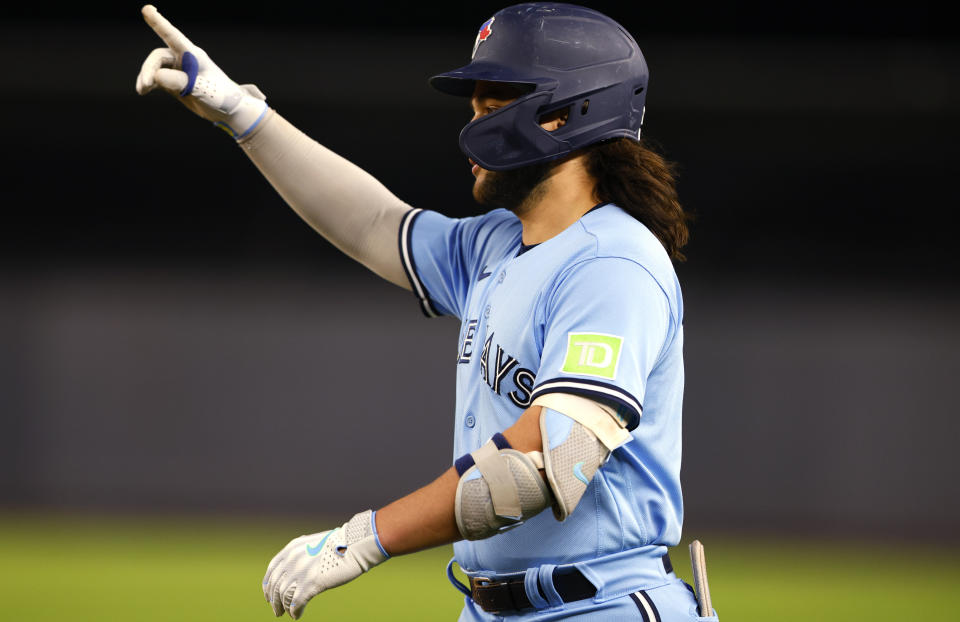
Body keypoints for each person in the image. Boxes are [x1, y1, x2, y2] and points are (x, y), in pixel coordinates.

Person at [136, 3, 716, 620]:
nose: (473, 125)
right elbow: (375, 225)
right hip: (492, 605)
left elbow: (552, 460)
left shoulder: (612, 262)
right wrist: (244, 116)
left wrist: (367, 536)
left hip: (600, 605)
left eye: (493, 105)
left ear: (564, 113)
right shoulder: (500, 242)